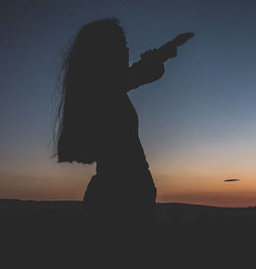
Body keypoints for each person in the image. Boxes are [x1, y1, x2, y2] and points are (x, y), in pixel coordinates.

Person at [54, 18, 193, 234]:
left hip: (120, 188)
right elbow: (141, 73)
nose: (127, 49)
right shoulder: (102, 89)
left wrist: (165, 51)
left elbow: (141, 73)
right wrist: (165, 51)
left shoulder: (100, 87)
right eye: (121, 44)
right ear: (104, 51)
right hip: (124, 192)